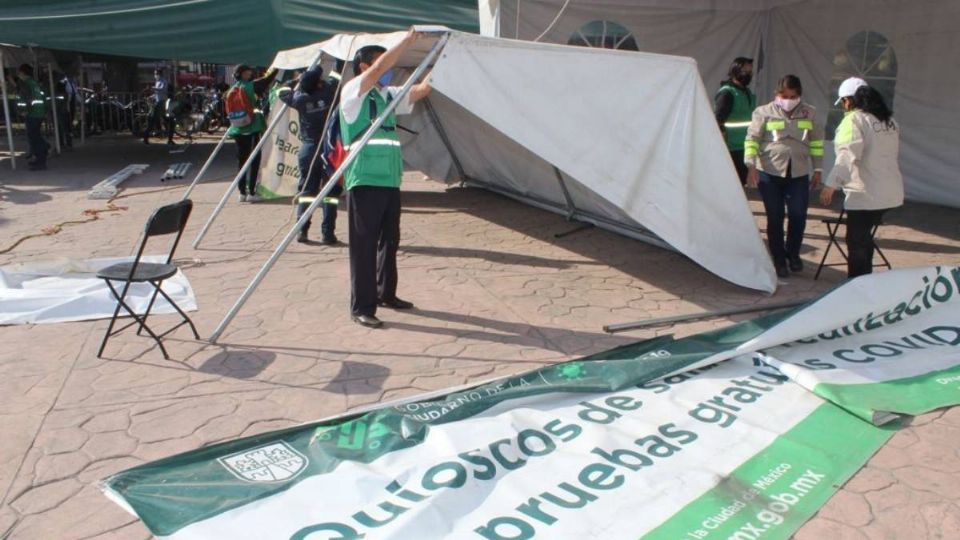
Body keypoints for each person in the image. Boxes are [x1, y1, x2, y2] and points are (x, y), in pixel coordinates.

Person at [340, 29, 431, 328]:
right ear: (365, 67)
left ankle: (385, 294)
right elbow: (380, 69)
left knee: (390, 240)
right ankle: (362, 307)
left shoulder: (387, 96)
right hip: (365, 178)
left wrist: (444, 63)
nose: (387, 70)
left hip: (390, 179)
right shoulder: (353, 92)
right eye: (381, 64)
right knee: (364, 245)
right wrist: (406, 42)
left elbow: (420, 91)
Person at [820, 79, 903, 278]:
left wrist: (831, 185)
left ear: (849, 101)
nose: (843, 107)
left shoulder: (854, 120)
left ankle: (857, 284)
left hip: (866, 193)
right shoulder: (889, 121)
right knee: (864, 237)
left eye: (843, 102)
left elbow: (847, 155)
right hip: (891, 192)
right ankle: (867, 278)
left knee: (856, 241)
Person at [745, 74, 824, 278]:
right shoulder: (763, 112)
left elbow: (816, 142)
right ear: (777, 94)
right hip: (769, 172)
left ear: (799, 95)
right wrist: (751, 165)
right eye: (784, 95)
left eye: (792, 96)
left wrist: (818, 169)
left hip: (798, 172)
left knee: (798, 214)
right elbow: (752, 139)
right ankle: (779, 260)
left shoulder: (810, 113)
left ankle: (793, 254)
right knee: (775, 216)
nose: (788, 100)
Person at [277, 65, 340, 244]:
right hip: (329, 149)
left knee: (307, 191)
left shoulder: (299, 98)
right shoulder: (329, 93)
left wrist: (296, 81)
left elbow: (281, 90)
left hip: (309, 149)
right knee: (330, 192)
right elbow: (336, 77)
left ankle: (301, 231)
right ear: (319, 83)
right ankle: (328, 234)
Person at [227, 64, 277, 203]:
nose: (251, 73)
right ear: (243, 73)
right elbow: (267, 79)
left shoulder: (232, 89)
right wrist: (277, 67)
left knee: (241, 161)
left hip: (237, 128)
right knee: (254, 160)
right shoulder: (250, 86)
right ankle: (252, 192)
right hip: (252, 127)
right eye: (248, 71)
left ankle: (242, 192)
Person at [714, 57, 756, 185]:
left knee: (743, 184)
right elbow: (718, 121)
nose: (748, 75)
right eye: (745, 71)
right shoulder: (727, 93)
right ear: (735, 71)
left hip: (745, 146)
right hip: (731, 149)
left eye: (750, 72)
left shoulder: (747, 92)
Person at [16, 64, 49, 171]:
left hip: (32, 114)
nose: (18, 74)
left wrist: (25, 111)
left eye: (19, 72)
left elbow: (29, 99)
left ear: (23, 73)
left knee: (34, 137)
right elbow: (41, 97)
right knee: (36, 135)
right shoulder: (34, 84)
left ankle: (41, 159)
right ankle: (42, 152)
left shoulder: (27, 84)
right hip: (38, 113)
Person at [143, 68, 176, 146]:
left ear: (160, 74)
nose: (155, 76)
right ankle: (146, 138)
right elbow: (158, 93)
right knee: (152, 121)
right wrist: (152, 96)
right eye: (155, 74)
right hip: (159, 104)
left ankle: (169, 140)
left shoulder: (164, 81)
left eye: (156, 74)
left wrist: (153, 88)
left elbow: (163, 90)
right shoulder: (157, 82)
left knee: (171, 122)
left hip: (163, 104)